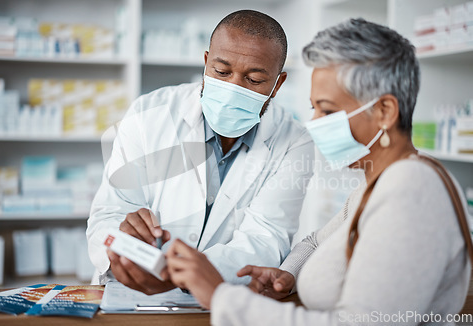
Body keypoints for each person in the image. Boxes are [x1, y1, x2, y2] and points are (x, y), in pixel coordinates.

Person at [164, 18, 472, 325]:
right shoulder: (377, 185)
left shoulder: (412, 191)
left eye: (326, 110)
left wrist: (221, 296)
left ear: (384, 112)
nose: (314, 122)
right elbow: (314, 243)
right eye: (313, 108)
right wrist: (289, 275)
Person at [86, 9, 314, 294]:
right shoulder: (149, 114)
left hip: (218, 300)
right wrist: (122, 242)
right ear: (206, 63)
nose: (233, 88)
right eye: (221, 72)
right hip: (129, 294)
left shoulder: (295, 141)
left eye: (254, 80)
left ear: (277, 85)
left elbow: (267, 239)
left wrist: (184, 272)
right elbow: (109, 212)